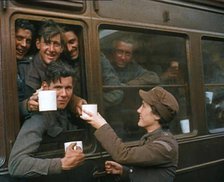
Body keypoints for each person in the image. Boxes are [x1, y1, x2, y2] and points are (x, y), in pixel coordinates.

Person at [81, 86, 179, 182]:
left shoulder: (165, 146)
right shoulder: (153, 138)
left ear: (157, 115)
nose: (138, 110)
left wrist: (101, 125)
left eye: (144, 106)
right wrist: (124, 171)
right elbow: (151, 175)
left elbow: (123, 155)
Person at [8, 61, 85, 177]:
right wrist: (61, 164)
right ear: (45, 87)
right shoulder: (40, 116)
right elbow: (16, 164)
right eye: (58, 87)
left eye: (68, 88)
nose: (64, 94)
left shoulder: (64, 107)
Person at [20, 20, 85, 119]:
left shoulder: (65, 68)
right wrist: (26, 106)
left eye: (56, 44)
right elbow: (8, 107)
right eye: (47, 43)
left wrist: (76, 102)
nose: (51, 49)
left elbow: (64, 94)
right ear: (38, 44)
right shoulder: (22, 68)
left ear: (62, 48)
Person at [62, 25, 124, 108]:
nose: (69, 49)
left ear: (80, 39)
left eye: (72, 42)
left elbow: (117, 93)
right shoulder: (59, 61)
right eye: (64, 44)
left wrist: (88, 105)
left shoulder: (96, 58)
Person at [15, 19, 35, 120]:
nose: (24, 44)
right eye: (19, 38)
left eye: (28, 41)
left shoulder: (31, 65)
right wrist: (25, 106)